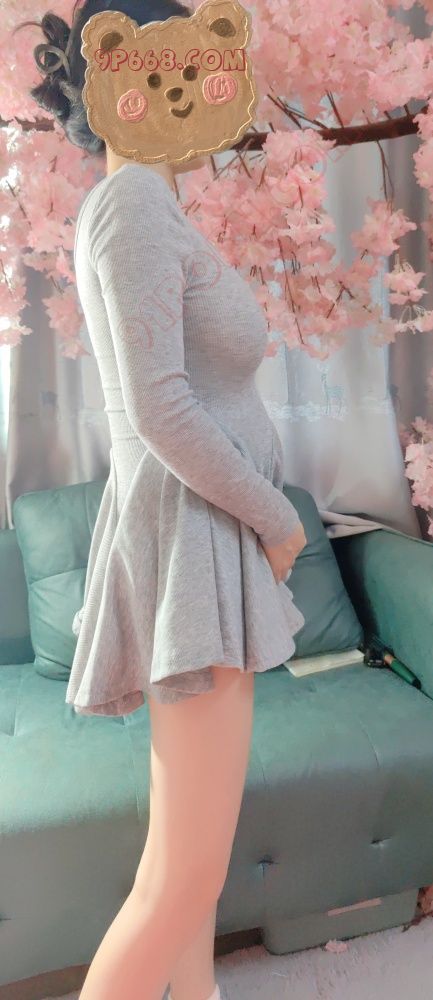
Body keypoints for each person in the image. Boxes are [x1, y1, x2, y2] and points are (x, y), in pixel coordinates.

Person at [17, 2, 307, 997]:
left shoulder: (141, 202)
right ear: (119, 79)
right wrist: (278, 520)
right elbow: (162, 410)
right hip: (194, 538)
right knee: (181, 881)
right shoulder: (134, 202)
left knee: (185, 873)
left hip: (195, 535)